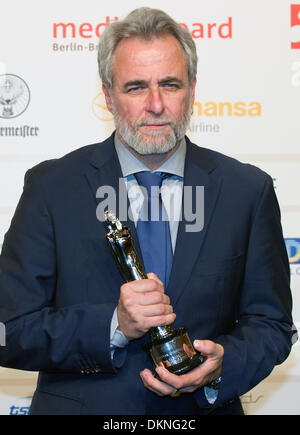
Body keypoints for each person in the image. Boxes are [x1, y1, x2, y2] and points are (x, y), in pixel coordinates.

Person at [0, 7, 294, 415]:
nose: (155, 105)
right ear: (107, 95)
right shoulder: (53, 188)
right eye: (136, 87)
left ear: (192, 87)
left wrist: (222, 365)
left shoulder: (246, 190)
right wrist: (113, 326)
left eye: (170, 84)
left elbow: (272, 324)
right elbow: (8, 330)